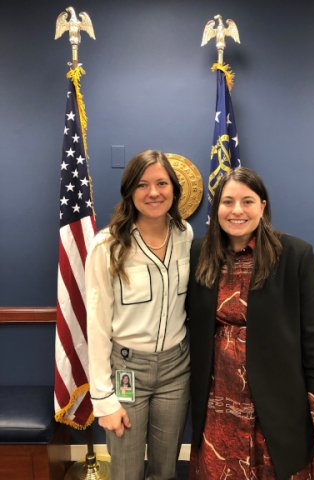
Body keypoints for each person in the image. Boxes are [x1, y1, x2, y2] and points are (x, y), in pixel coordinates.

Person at [186, 167, 314, 480]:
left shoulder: (295, 255)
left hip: (278, 403)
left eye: (247, 201)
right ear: (216, 207)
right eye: (227, 201)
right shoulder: (198, 254)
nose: (236, 210)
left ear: (262, 206)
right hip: (217, 406)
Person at [85, 150, 193, 480]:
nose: (154, 192)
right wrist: (103, 400)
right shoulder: (108, 245)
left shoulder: (184, 235)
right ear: (130, 191)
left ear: (174, 189)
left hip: (176, 369)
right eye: (143, 184)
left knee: (165, 469)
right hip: (127, 371)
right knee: (127, 471)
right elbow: (98, 323)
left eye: (162, 183)